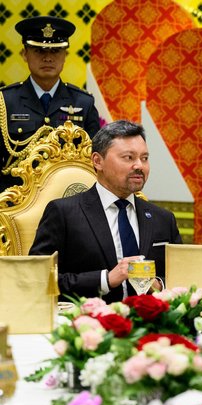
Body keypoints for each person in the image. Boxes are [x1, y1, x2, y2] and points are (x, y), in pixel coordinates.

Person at [29, 120, 182, 302]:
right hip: (87, 323)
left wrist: (158, 285)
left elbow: (181, 277)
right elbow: (38, 278)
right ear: (97, 161)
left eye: (144, 158)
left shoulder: (163, 219)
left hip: (151, 323)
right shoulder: (64, 213)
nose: (139, 166)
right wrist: (105, 279)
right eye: (128, 157)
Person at [1, 16, 101, 191]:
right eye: (39, 51)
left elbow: (97, 159)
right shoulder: (5, 102)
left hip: (68, 197)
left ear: (65, 55)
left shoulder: (83, 102)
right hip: (15, 200)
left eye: (55, 51)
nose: (48, 58)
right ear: (24, 54)